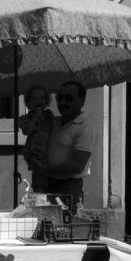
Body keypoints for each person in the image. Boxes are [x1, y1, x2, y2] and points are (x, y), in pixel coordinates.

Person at [34, 81, 97, 213]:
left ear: (82, 101)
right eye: (59, 98)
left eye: (68, 99)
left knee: (63, 227)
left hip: (68, 187)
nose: (62, 103)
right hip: (47, 183)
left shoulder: (86, 126)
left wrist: (45, 170)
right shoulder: (54, 122)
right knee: (44, 225)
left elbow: (77, 165)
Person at [19, 85, 55, 192]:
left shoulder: (49, 115)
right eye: (34, 98)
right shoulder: (26, 118)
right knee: (40, 181)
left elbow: (55, 129)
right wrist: (36, 117)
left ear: (46, 101)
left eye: (42, 98)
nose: (38, 101)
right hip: (35, 153)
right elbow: (26, 130)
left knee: (51, 182)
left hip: (48, 152)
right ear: (28, 103)